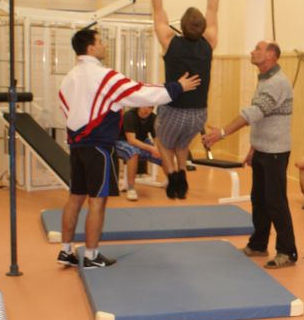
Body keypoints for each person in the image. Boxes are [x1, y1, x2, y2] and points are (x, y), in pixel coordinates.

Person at [57, 29, 199, 268]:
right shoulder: (104, 76)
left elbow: (64, 109)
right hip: (99, 148)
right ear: (91, 48)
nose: (104, 45)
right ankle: (91, 256)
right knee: (97, 202)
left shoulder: (69, 78)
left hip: (77, 146)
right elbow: (141, 92)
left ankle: (65, 251)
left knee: (75, 198)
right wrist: (178, 87)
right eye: (100, 42)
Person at [202, 41, 297, 269]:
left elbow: (253, 113)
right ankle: (258, 245)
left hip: (275, 152)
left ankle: (287, 252)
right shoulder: (264, 79)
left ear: (271, 55)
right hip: (263, 149)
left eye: (258, 49)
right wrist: (253, 148)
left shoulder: (277, 82)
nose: (252, 52)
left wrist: (222, 132)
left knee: (276, 202)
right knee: (259, 200)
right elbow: (261, 119)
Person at [151, 0, 220, 199]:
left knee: (162, 141)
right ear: (202, 28)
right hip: (199, 114)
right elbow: (213, 9)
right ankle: (182, 170)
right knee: (181, 144)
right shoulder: (210, 42)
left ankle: (173, 175)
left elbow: (157, 9)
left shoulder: (169, 40)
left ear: (181, 26)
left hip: (174, 110)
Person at [114, 106, 162, 201]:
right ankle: (131, 189)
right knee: (133, 152)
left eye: (150, 107)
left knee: (164, 153)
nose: (147, 110)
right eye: (145, 106)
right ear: (139, 105)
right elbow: (131, 140)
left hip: (141, 141)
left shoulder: (153, 117)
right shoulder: (129, 115)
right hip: (121, 142)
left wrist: (157, 149)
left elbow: (156, 138)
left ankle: (172, 181)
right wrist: (151, 149)